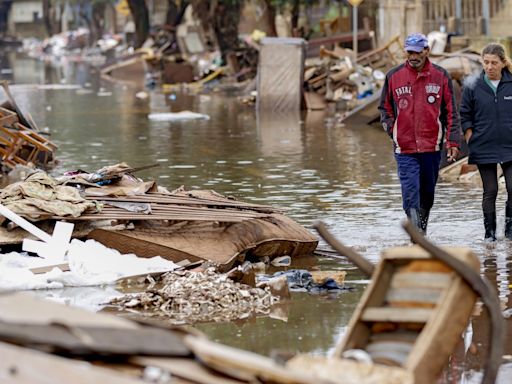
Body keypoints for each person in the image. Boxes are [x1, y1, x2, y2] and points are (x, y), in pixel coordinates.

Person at [379, 32, 461, 235]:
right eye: (409, 52)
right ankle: (416, 237)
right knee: (410, 192)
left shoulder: (441, 76)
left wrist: (452, 141)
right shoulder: (393, 76)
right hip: (404, 148)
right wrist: (392, 129)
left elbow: (451, 111)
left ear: (426, 51)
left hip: (432, 147)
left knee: (427, 194)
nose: (413, 56)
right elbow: (384, 109)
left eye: (417, 52)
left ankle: (421, 233)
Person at [459, 43, 512, 242]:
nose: (489, 67)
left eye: (494, 63)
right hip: (484, 146)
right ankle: (489, 236)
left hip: (510, 146)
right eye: (486, 62)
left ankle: (509, 232)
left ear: (503, 63)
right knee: (490, 190)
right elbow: (465, 114)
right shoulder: (474, 85)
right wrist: (471, 137)